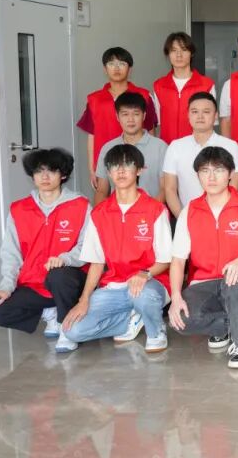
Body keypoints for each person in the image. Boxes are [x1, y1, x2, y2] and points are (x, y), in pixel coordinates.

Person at [60, 145, 172, 354]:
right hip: (114, 286)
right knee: (72, 331)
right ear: (108, 172)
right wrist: (84, 300)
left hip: (151, 283)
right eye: (114, 166)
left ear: (140, 170)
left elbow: (166, 260)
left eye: (127, 165)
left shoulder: (155, 209)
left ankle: (156, 332)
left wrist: (145, 274)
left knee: (142, 296)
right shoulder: (99, 213)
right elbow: (96, 262)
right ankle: (130, 319)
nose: (120, 171)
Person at [167, 146, 238, 369]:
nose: (211, 177)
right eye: (205, 171)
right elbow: (178, 260)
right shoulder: (190, 211)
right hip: (203, 283)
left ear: (231, 174)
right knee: (181, 320)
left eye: (219, 170)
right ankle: (227, 325)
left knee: (235, 280)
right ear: (198, 175)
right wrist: (175, 297)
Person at [0, 149, 89, 347]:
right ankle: (50, 312)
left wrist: (65, 258)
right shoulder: (19, 209)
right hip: (34, 283)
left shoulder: (80, 205)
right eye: (39, 171)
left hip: (71, 280)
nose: (45, 176)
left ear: (63, 175)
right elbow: (11, 254)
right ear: (32, 176)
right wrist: (6, 288)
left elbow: (88, 246)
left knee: (58, 275)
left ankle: (67, 328)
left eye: (52, 170)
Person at [76, 46, 157, 183]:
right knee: (105, 196)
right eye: (111, 64)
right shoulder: (94, 99)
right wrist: (92, 169)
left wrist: (150, 162)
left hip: (137, 163)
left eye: (122, 63)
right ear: (105, 69)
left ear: (130, 69)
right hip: (106, 164)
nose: (116, 68)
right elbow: (92, 135)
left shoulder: (143, 95)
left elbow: (150, 131)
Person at [162, 92, 238, 218]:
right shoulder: (175, 147)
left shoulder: (231, 146)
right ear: (188, 115)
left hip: (222, 217)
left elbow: (234, 187)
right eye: (194, 112)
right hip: (187, 217)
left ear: (215, 116)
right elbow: (170, 189)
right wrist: (183, 220)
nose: (200, 116)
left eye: (206, 112)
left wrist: (219, 218)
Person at [94, 91, 168, 204]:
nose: (130, 119)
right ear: (117, 117)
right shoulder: (108, 148)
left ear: (144, 116)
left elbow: (165, 189)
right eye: (125, 114)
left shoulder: (160, 147)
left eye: (136, 114)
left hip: (151, 211)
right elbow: (102, 191)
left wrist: (150, 211)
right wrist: (102, 213)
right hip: (117, 213)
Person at [152, 32, 215, 145]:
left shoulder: (207, 85)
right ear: (168, 54)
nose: (179, 55)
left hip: (198, 147)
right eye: (174, 50)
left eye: (184, 50)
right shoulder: (159, 86)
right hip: (168, 147)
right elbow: (158, 123)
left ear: (191, 53)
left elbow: (211, 122)